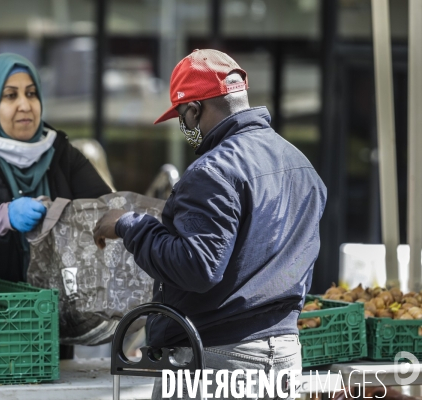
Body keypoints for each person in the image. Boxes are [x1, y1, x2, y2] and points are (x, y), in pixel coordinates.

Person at [93, 49, 327, 399]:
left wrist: (131, 225)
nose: (186, 128)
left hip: (219, 361)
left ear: (194, 109)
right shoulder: (300, 163)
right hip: (285, 356)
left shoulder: (213, 170)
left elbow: (196, 267)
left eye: (183, 118)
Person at [0, 53, 112, 283]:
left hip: (48, 305)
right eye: (10, 96)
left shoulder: (61, 152)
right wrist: (3, 217)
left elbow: (104, 208)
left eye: (31, 94)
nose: (25, 105)